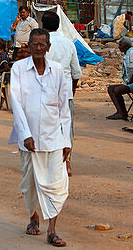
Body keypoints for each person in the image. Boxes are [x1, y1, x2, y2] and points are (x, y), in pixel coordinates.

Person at [9, 28, 71, 247]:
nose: (37, 48)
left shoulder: (58, 71)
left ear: (48, 47)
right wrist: (25, 134)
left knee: (56, 184)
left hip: (54, 137)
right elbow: (16, 103)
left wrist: (67, 141)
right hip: (29, 140)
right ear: (29, 45)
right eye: (34, 44)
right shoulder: (18, 69)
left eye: (41, 44)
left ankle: (52, 230)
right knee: (30, 183)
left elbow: (64, 108)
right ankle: (34, 218)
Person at [42, 10, 80, 175]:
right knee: (66, 129)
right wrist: (72, 89)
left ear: (43, 26)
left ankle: (47, 164)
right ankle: (67, 164)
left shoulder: (40, 44)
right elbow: (76, 73)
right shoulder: (69, 43)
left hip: (44, 93)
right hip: (65, 93)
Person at [105, 38, 133, 120]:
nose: (119, 47)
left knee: (117, 90)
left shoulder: (132, 53)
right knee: (110, 89)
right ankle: (121, 112)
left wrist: (128, 83)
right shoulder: (127, 54)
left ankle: (122, 113)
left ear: (126, 45)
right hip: (130, 81)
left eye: (120, 45)